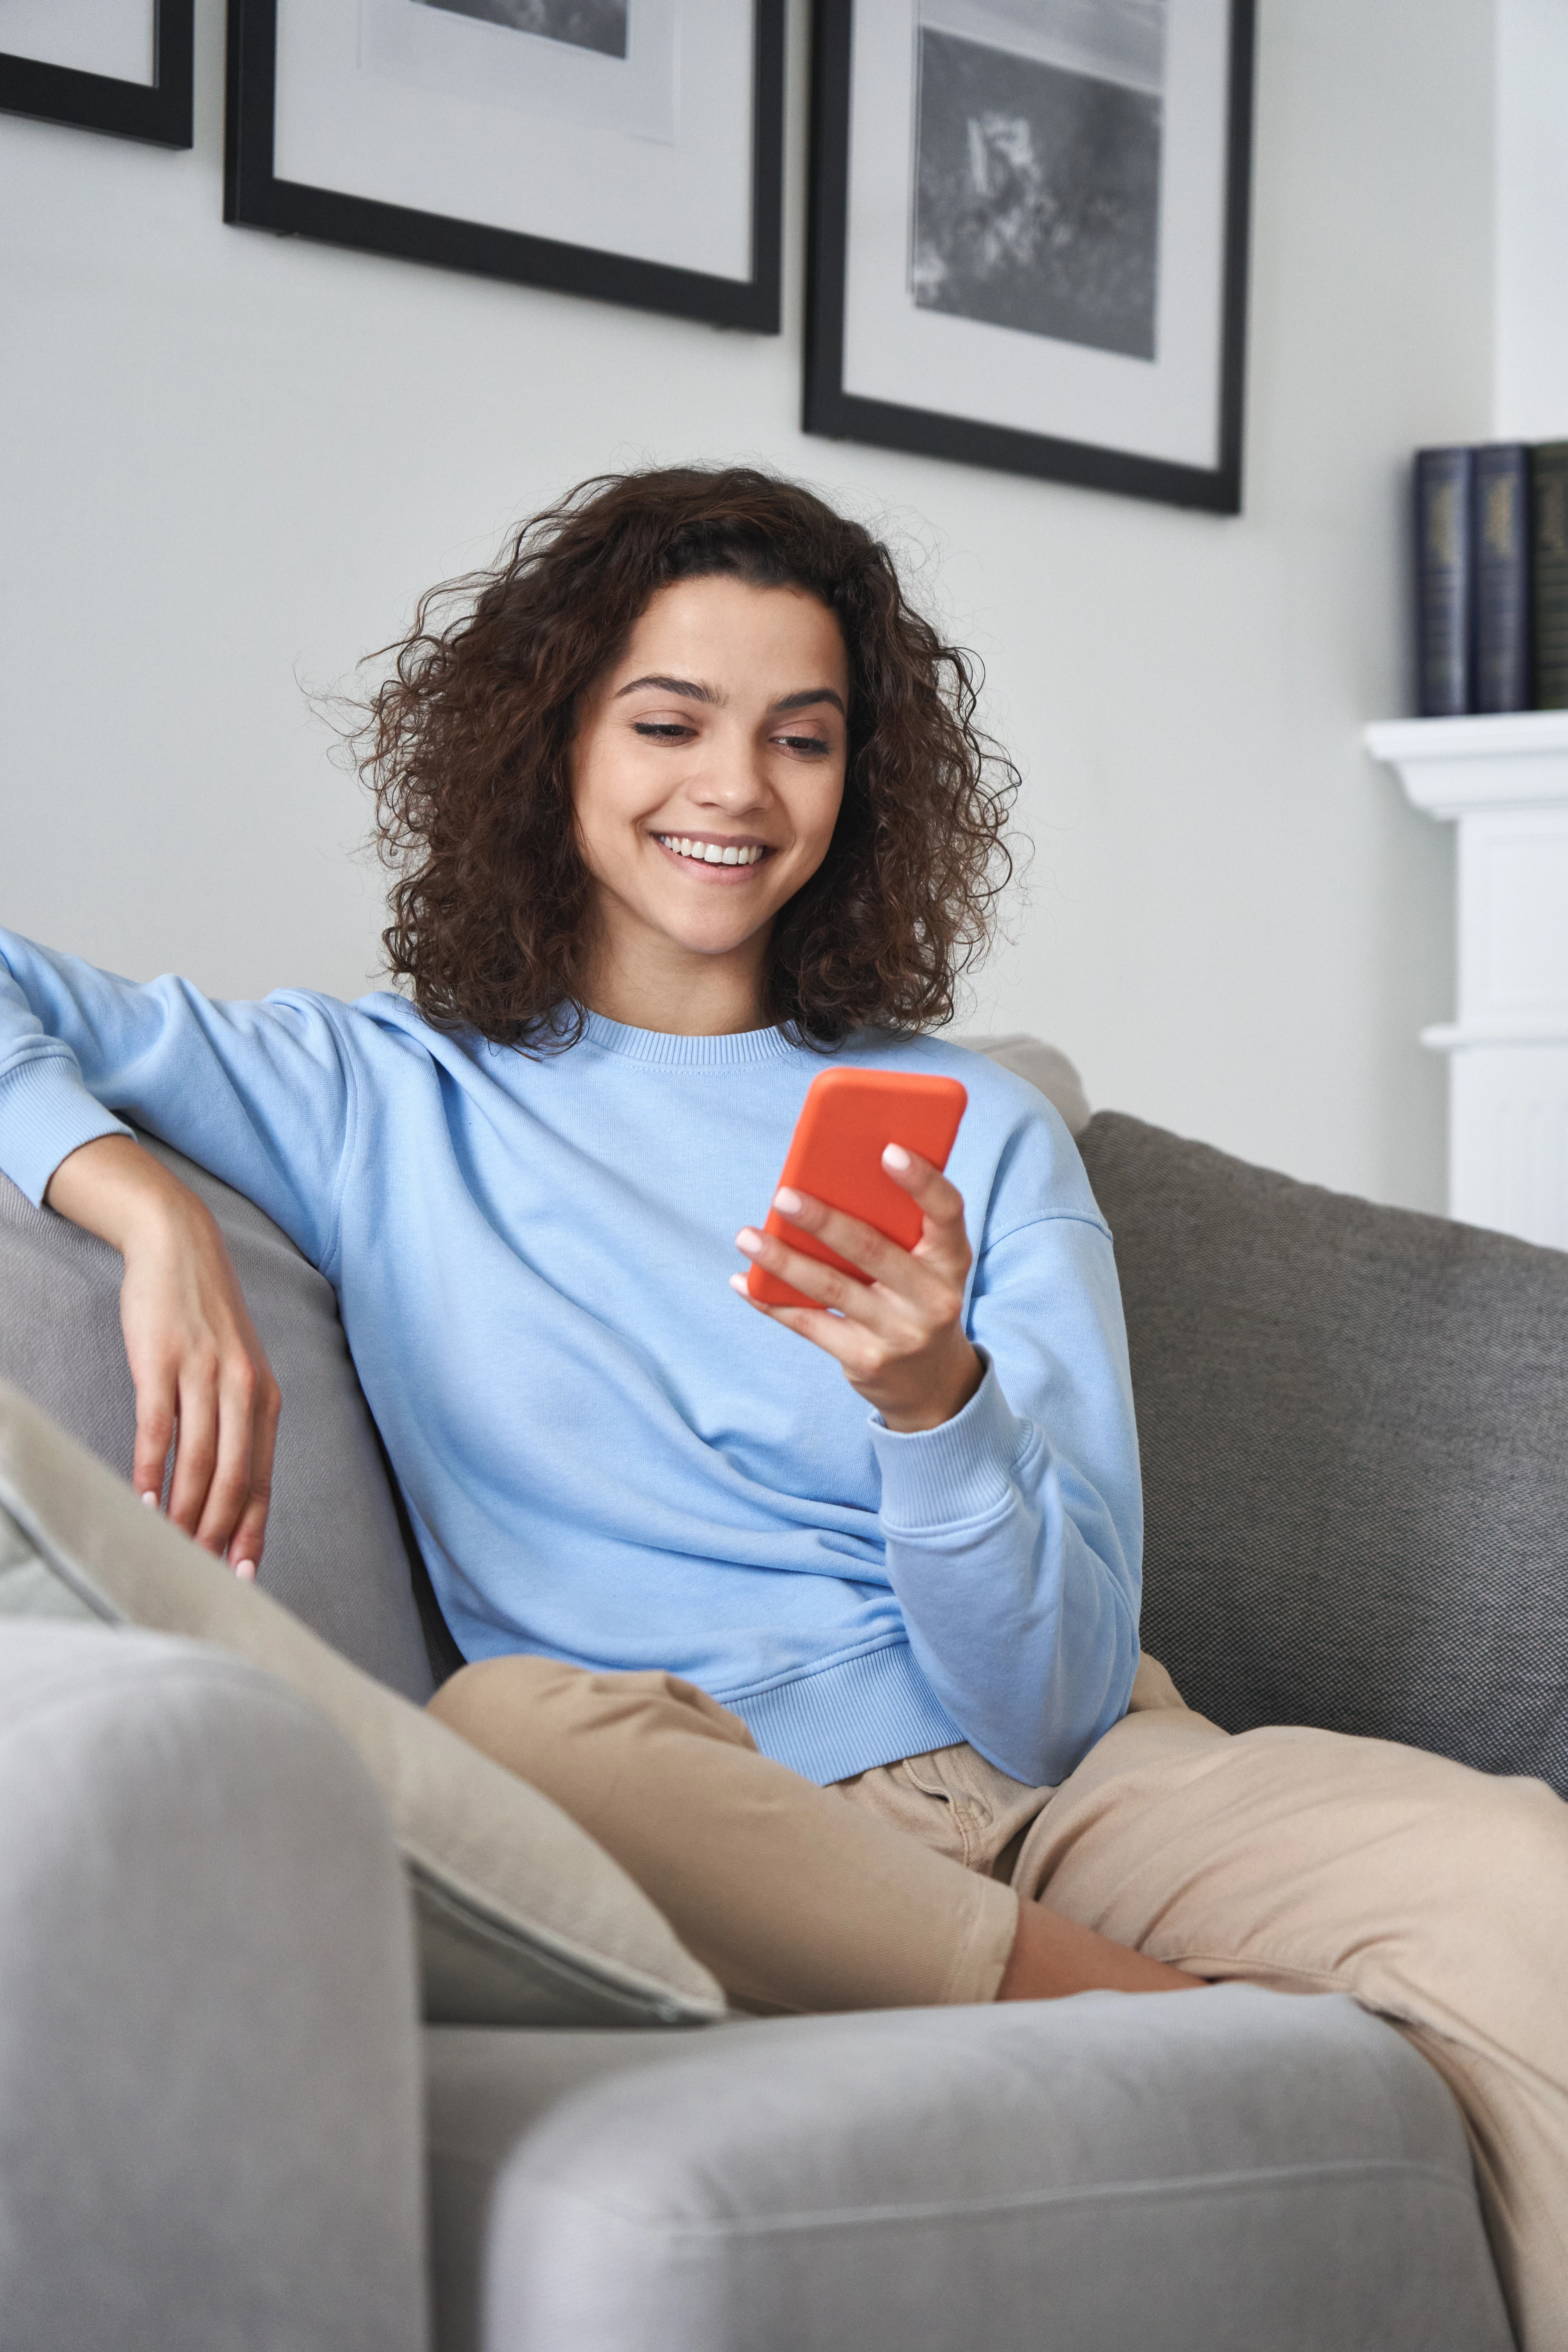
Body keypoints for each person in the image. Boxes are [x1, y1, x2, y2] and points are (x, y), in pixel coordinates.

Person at [1, 468, 1563, 2344]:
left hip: (1072, 1792)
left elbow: (1055, 1701)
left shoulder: (975, 1131)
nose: (732, 790)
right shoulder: (369, 1095)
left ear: (858, 783)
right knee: (503, 1729)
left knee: (1521, 1876)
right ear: (550, 742)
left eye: (798, 739)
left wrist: (935, 1408)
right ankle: (1182, 2025)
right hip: (710, 1797)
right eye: (667, 722)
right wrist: (136, 1199)